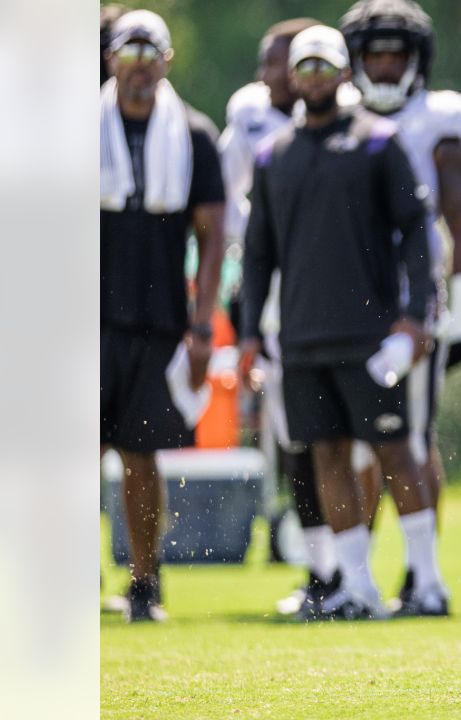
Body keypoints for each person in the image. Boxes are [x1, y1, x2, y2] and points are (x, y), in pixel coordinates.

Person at [239, 25, 441, 619]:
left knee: (395, 452)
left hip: (371, 335)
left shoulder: (380, 141)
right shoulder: (272, 154)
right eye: (305, 68)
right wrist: (251, 335)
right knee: (325, 457)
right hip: (301, 337)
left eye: (325, 66)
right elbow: (256, 255)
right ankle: (356, 588)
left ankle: (427, 582)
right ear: (292, 77)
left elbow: (417, 232)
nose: (315, 77)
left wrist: (414, 318)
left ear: (342, 73)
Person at [340, 0, 461, 606]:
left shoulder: (439, 120)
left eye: (393, 54)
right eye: (372, 54)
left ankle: (421, 576)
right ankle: (349, 575)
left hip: (411, 306)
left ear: (416, 61)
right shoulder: (334, 117)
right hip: (342, 305)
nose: (382, 65)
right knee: (348, 445)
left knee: (413, 441)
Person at [218, 16, 350, 618]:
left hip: (341, 303)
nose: (270, 74)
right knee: (300, 441)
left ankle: (354, 569)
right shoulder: (254, 126)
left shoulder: (350, 127)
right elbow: (233, 220)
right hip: (276, 303)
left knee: (352, 444)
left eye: (281, 60)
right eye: (273, 61)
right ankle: (321, 568)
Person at [100, 9, 225, 622]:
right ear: (109, 61)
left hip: (157, 321)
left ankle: (144, 582)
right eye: (129, 55)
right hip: (85, 318)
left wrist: (203, 326)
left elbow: (212, 235)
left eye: (151, 56)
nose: (140, 67)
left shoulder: (194, 134)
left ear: (167, 62)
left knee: (141, 458)